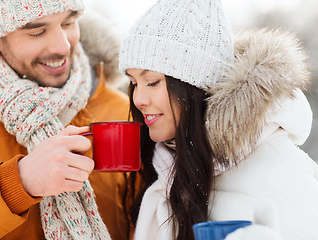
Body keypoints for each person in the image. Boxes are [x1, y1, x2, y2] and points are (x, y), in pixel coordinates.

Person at [119, 0, 318, 239]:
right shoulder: (165, 165)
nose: (138, 99)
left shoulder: (283, 173)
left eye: (152, 81)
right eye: (133, 83)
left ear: (194, 84)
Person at [0, 0, 131, 239]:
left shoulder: (121, 111)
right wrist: (18, 183)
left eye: (68, 22)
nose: (62, 46)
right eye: (36, 31)